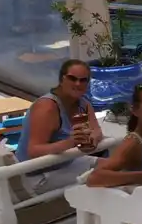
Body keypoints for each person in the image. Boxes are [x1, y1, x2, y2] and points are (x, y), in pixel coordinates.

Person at [14, 59, 104, 192]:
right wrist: (71, 142)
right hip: (36, 175)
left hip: (65, 163)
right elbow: (34, 151)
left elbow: (97, 132)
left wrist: (91, 139)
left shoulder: (84, 104)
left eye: (83, 80)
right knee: (105, 176)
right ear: (62, 79)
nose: (78, 84)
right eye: (72, 78)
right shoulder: (47, 107)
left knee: (115, 165)